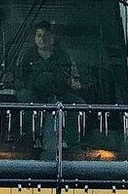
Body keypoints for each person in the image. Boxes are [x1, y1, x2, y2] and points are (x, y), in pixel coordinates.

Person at [16, 21, 82, 158]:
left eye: (45, 36)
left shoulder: (63, 57)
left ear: (52, 38)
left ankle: (70, 142)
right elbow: (20, 80)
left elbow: (73, 78)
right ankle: (30, 138)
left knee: (79, 104)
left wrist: (72, 83)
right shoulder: (26, 57)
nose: (42, 39)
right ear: (34, 38)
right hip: (34, 96)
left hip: (60, 95)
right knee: (22, 99)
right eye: (38, 36)